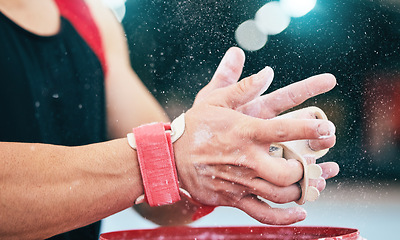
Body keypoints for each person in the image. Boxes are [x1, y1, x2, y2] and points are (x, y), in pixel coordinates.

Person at [0, 0, 339, 239]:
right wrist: (173, 158)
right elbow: (165, 157)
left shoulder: (92, 20)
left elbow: (164, 199)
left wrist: (228, 149)